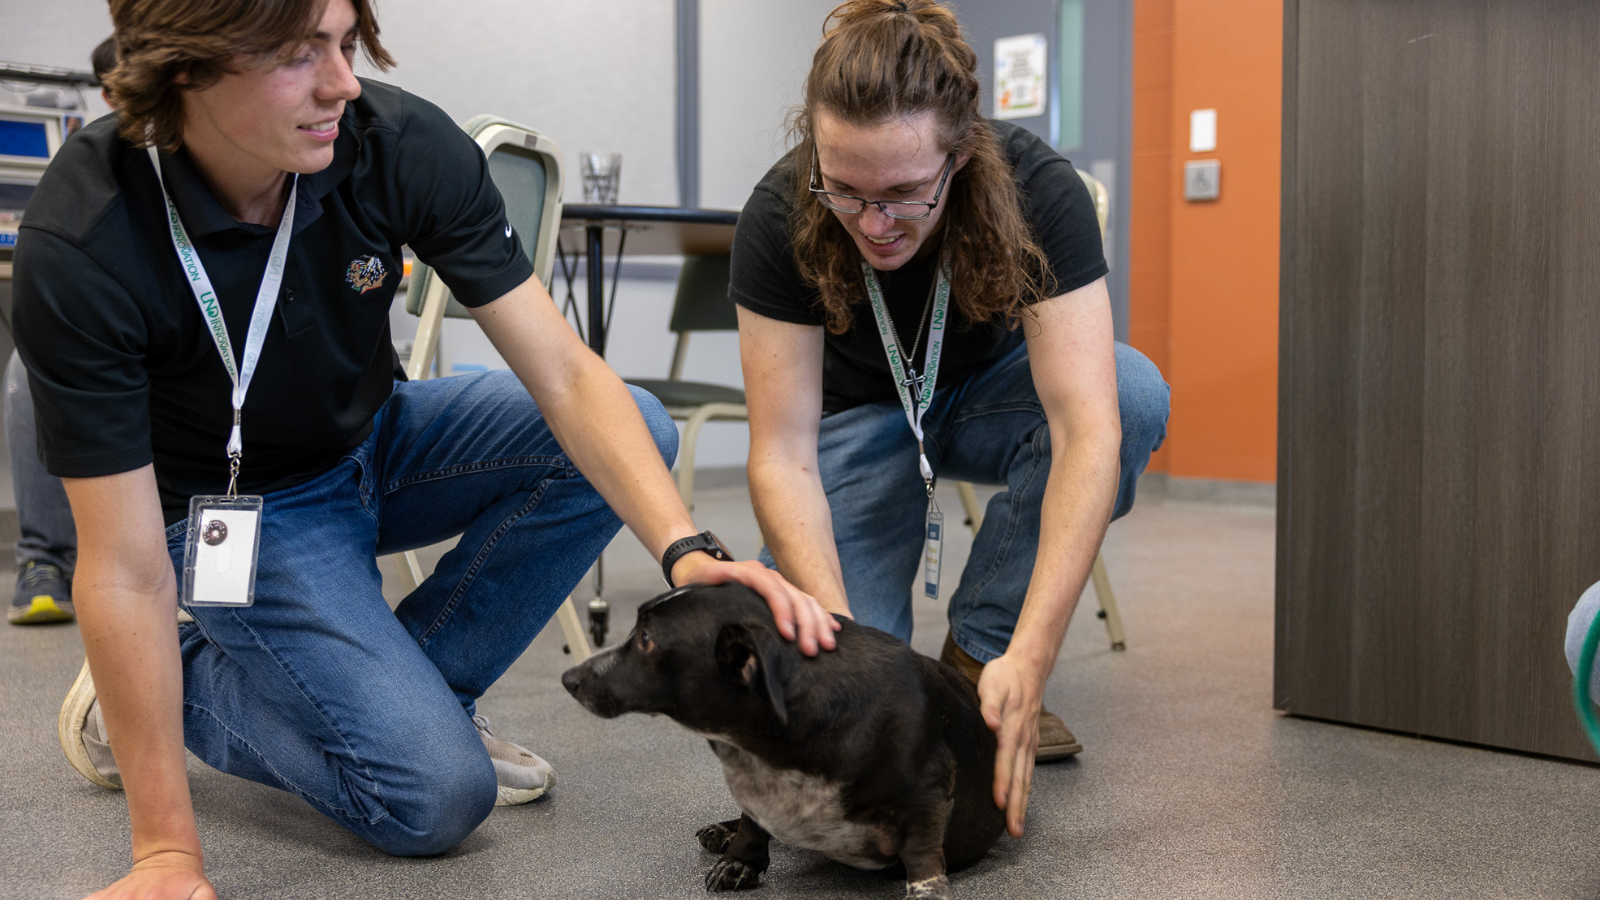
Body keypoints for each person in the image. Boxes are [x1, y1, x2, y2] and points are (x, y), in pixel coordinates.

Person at [13, 1, 837, 897]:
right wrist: (166, 853)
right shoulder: (87, 239)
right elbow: (125, 568)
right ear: (184, 68)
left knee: (636, 419)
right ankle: (172, 682)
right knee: (433, 799)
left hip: (379, 438)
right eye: (298, 56)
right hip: (238, 512)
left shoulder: (393, 140)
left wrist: (685, 551)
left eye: (343, 44)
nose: (341, 82)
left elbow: (563, 373)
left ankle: (424, 703)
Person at [731, 0, 1169, 841]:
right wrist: (848, 653)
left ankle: (978, 662)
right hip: (855, 421)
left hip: (984, 398)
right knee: (832, 705)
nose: (873, 224)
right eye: (845, 191)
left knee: (1133, 390)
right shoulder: (780, 211)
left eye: (903, 193)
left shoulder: (1040, 189)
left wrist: (1033, 656)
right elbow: (781, 455)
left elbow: (1087, 428)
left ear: (961, 157)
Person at [5, 36, 117, 625]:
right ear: (108, 91)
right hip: (117, 322)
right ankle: (43, 559)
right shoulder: (92, 162)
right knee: (28, 363)